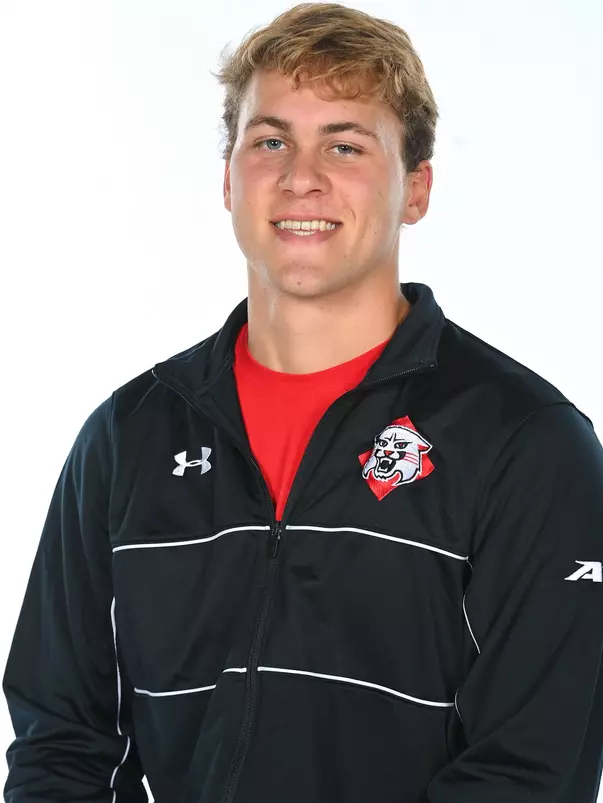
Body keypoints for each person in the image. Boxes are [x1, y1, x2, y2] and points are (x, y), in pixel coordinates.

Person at [4, 2, 603, 801]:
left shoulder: (528, 442)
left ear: (415, 189)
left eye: (345, 145)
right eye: (271, 140)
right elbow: (60, 743)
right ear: (228, 179)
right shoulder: (128, 435)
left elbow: (532, 769)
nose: (300, 177)